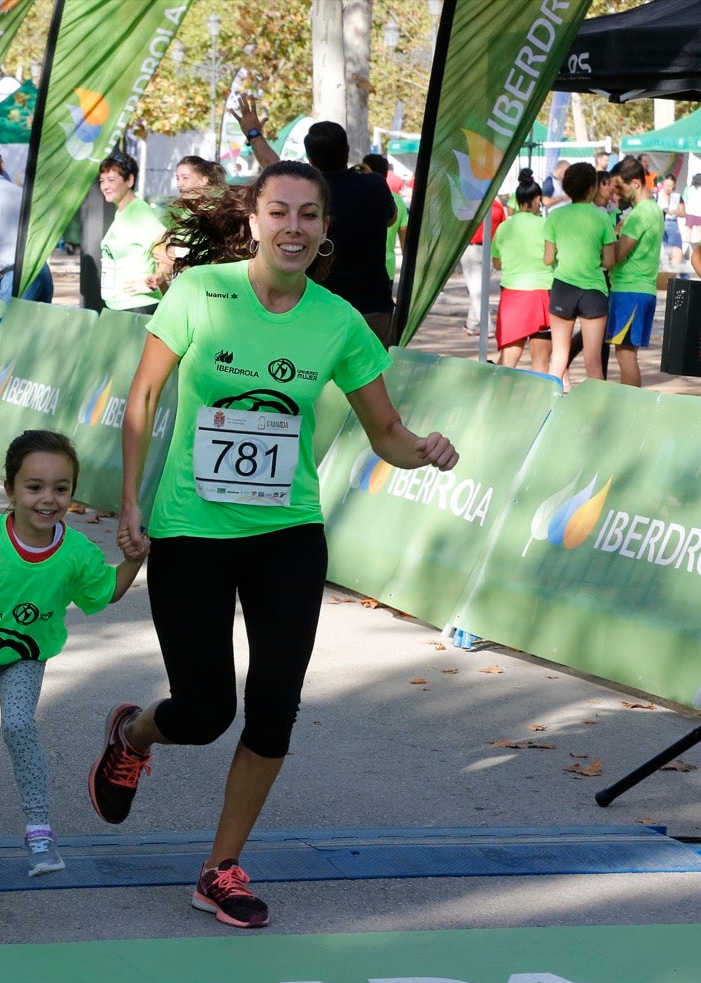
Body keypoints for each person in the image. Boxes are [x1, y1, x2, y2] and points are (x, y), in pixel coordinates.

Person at [92, 160, 458, 929]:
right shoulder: (199, 292)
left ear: (327, 230)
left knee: (274, 708)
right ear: (254, 220)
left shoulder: (339, 321)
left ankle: (220, 867)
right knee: (203, 708)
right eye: (280, 212)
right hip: (193, 528)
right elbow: (146, 395)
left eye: (310, 215)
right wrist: (130, 500)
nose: (294, 227)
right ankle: (133, 732)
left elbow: (384, 431)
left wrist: (423, 447)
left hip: (288, 531)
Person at [0, 429, 145, 875]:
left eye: (61, 488)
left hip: (25, 655)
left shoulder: (76, 552)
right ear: (10, 489)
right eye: (34, 487)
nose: (47, 499)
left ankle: (39, 833)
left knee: (18, 725)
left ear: (73, 491)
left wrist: (133, 559)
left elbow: (107, 592)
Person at [245, 110, 397, 346]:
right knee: (371, 379)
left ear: (310, 159)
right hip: (373, 307)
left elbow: (273, 166)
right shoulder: (374, 184)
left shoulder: (312, 192)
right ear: (347, 150)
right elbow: (391, 218)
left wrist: (254, 135)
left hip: (319, 307)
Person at [544, 161, 616, 389]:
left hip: (563, 288)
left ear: (566, 189)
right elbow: (609, 261)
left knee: (558, 357)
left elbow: (547, 258)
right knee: (593, 362)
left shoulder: (555, 217)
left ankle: (549, 409)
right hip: (594, 292)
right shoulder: (602, 218)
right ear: (592, 188)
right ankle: (597, 418)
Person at [0, 145, 54, 306]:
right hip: (40, 270)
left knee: (7, 329)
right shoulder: (22, 193)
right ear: (2, 166)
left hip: (17, 276)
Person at [606, 156, 662, 388]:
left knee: (625, 355)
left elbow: (618, 254)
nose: (617, 193)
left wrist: (608, 236)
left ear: (636, 183)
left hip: (629, 290)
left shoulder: (639, 213)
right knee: (627, 352)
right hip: (643, 289)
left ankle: (629, 407)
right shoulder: (654, 209)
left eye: (620, 187)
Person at [490, 170, 553, 371]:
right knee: (541, 361)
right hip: (542, 294)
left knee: (508, 359)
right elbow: (554, 257)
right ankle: (541, 402)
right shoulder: (546, 225)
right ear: (537, 200)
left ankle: (497, 399)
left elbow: (497, 264)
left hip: (512, 295)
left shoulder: (503, 228)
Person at [97, 150, 164, 313]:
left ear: (130, 180)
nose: (105, 186)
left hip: (137, 306)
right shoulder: (121, 212)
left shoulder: (139, 211)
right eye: (102, 180)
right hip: (117, 307)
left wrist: (159, 276)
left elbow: (166, 244)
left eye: (111, 180)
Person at [460, 196, 508, 337]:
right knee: (480, 290)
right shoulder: (498, 208)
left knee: (476, 292)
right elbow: (503, 229)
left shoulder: (469, 205)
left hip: (471, 249)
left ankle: (488, 327)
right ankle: (471, 324)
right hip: (490, 250)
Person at [361, 154, 407, 286]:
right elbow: (405, 242)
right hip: (387, 268)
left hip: (356, 267)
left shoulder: (353, 197)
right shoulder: (398, 202)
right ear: (386, 174)